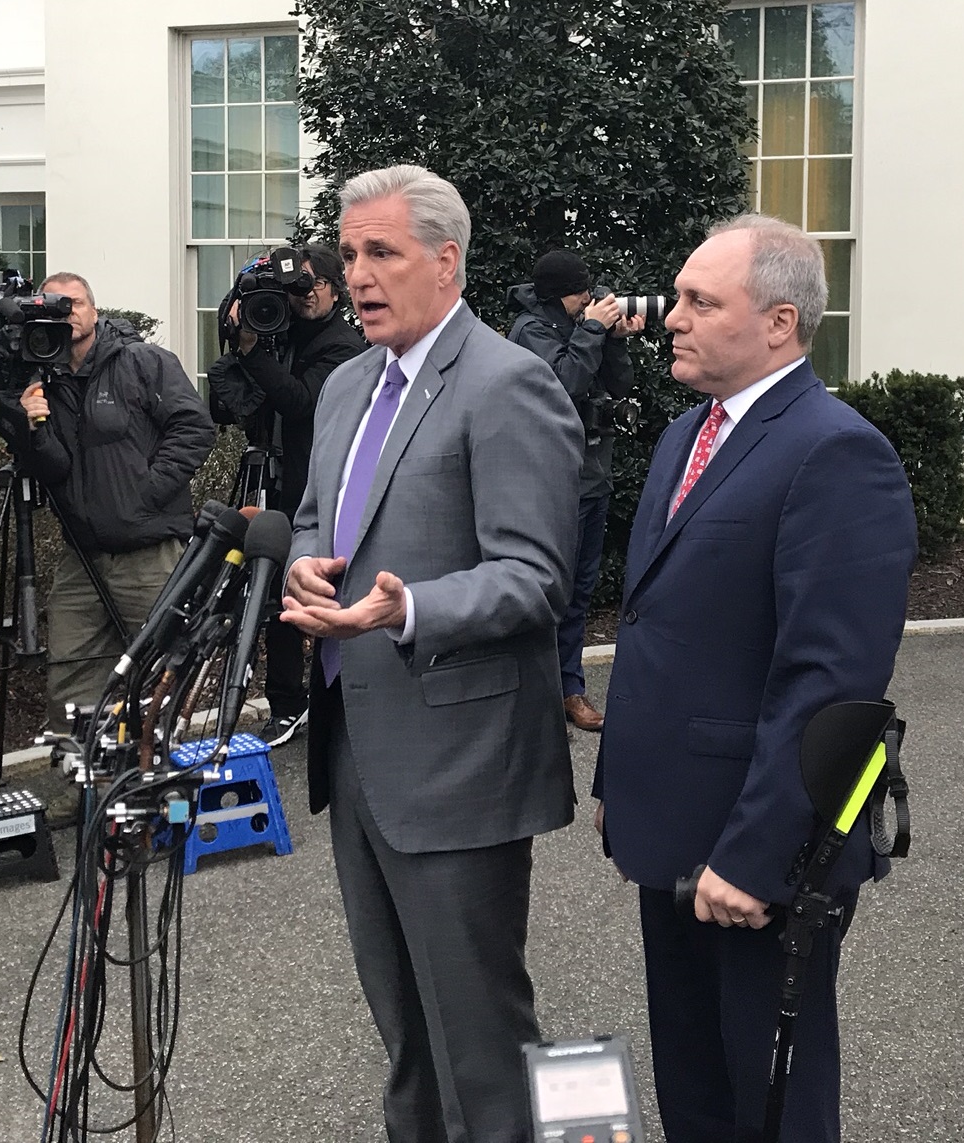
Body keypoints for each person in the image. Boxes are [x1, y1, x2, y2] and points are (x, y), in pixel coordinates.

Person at [592, 215, 916, 1142]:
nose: (673, 319)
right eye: (679, 297)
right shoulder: (685, 437)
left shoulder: (835, 451)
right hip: (672, 827)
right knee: (693, 1088)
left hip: (759, 848)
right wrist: (621, 781)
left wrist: (758, 853)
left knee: (771, 1100)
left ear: (780, 324)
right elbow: (660, 629)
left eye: (701, 301)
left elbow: (830, 679)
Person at [280, 165, 581, 1143]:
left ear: (445, 262)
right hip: (355, 752)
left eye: (381, 253)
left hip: (459, 762)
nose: (356, 274)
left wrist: (404, 609)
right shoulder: (342, 386)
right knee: (403, 1035)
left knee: (477, 1038)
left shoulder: (507, 384)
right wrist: (300, 572)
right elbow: (316, 523)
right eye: (349, 254)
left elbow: (533, 578)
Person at [0, 273, 214, 748]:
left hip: (148, 553)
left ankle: (153, 787)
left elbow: (194, 427)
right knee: (71, 674)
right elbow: (53, 468)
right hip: (82, 557)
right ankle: (84, 790)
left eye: (75, 303)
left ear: (94, 310)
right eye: (55, 306)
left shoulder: (142, 361)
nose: (67, 313)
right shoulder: (44, 379)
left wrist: (146, 493)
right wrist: (29, 425)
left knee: (159, 671)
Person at [205, 244, 366, 746]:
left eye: (312, 284)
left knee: (306, 591)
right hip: (269, 477)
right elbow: (229, 410)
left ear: (335, 290)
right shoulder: (276, 331)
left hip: (310, 488)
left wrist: (254, 352)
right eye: (293, 288)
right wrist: (238, 335)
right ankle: (285, 703)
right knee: (267, 587)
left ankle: (324, 699)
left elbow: (300, 404)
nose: (301, 297)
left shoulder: (342, 345)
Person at [505, 249, 644, 732]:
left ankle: (570, 689)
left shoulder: (582, 325)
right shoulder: (529, 331)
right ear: (562, 293)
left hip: (592, 476)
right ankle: (536, 691)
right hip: (552, 481)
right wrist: (592, 331)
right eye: (584, 289)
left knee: (580, 591)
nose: (591, 296)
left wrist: (616, 340)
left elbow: (619, 383)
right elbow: (561, 386)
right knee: (548, 590)